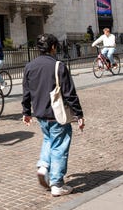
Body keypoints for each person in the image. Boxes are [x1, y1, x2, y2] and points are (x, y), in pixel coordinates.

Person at [22, 33, 85, 197]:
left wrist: (26, 112)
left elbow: (26, 92)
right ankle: (57, 183)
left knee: (49, 139)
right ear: (53, 47)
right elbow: (69, 93)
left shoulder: (29, 66)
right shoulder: (58, 66)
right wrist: (79, 114)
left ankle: (43, 166)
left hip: (40, 113)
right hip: (57, 114)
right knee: (60, 145)